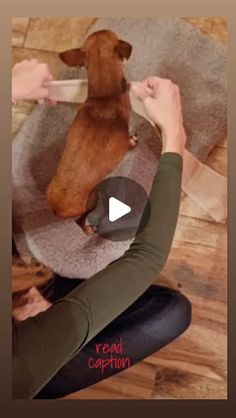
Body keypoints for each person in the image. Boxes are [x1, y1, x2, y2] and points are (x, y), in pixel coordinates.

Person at [12, 59, 191, 399]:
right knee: (171, 313)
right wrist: (174, 136)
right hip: (30, 363)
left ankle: (47, 289)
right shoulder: (18, 368)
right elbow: (146, 257)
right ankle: (56, 297)